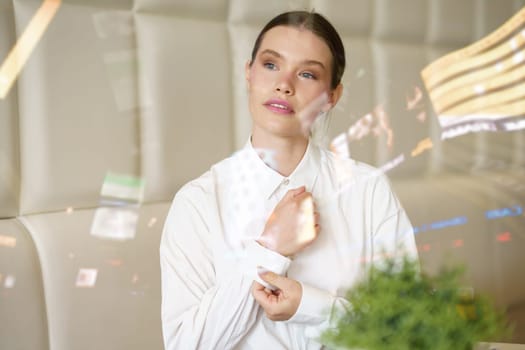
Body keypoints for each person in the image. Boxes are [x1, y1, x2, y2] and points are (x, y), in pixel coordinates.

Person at [160, 10, 418, 350]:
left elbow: (407, 332)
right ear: (248, 73)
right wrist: (269, 250)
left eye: (308, 74)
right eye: (270, 65)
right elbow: (185, 345)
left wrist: (310, 307)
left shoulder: (369, 192)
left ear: (331, 97)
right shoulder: (198, 203)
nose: (285, 84)